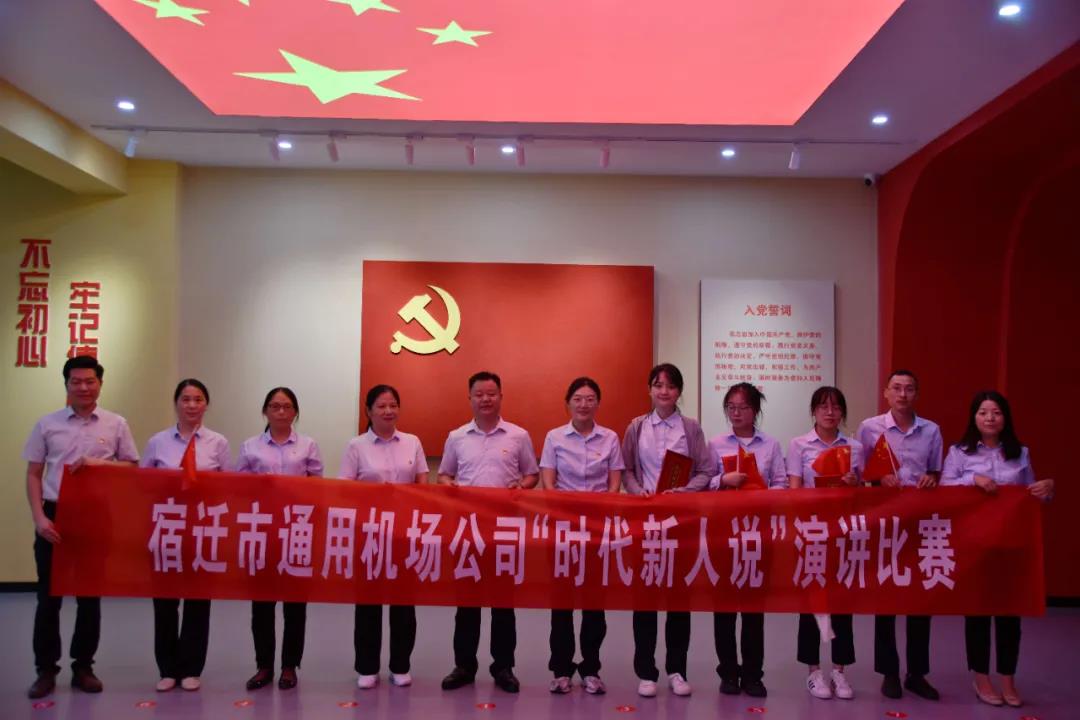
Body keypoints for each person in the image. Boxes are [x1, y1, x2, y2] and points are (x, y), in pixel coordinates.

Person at [23, 356, 140, 699]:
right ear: (66, 385)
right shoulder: (47, 424)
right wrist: (39, 518)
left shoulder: (116, 424)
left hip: (95, 516)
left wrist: (97, 464)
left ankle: (83, 667)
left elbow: (132, 466)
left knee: (89, 597)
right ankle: (46, 670)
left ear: (100, 384)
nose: (83, 387)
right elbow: (33, 473)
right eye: (76, 381)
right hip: (55, 514)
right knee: (49, 597)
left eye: (90, 381)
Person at [941, 390, 1054, 708]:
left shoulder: (1020, 453)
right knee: (977, 611)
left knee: (1009, 614)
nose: (990, 418)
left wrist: (1047, 489)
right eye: (983, 412)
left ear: (1005, 418)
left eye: (996, 412)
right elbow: (944, 488)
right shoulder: (959, 453)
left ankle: (1008, 677)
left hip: (1011, 544)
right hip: (975, 545)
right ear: (974, 417)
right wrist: (972, 480)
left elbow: (1033, 495)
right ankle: (980, 676)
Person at [438, 371, 539, 694]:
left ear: (501, 397)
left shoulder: (518, 435)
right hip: (468, 531)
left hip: (504, 530)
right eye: (479, 394)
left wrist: (521, 486)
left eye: (491, 394)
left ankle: (503, 667)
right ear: (469, 398)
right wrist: (449, 486)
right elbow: (444, 474)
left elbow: (532, 474)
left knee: (503, 603)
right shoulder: (456, 437)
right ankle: (464, 666)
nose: (485, 399)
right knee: (467, 603)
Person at [621, 362, 715, 698]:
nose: (664, 391)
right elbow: (626, 469)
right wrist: (639, 493)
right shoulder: (636, 426)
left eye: (671, 386)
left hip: (680, 523)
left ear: (679, 392)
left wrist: (683, 493)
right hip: (646, 522)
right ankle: (646, 671)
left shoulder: (690, 428)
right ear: (649, 389)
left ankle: (677, 669)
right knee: (645, 598)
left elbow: (706, 471)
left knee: (678, 600)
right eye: (658, 385)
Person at [855, 370, 942, 701]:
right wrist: (879, 481)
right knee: (887, 595)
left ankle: (917, 673)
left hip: (919, 522)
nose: (903, 394)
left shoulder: (931, 430)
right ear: (886, 393)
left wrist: (932, 479)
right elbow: (860, 473)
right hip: (885, 521)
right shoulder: (869, 428)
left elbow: (936, 470)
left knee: (921, 597)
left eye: (909, 389)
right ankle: (889, 672)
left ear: (917, 394)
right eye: (897, 388)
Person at [141, 378, 231, 692]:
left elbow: (228, 487)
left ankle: (192, 667)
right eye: (186, 399)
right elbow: (143, 484)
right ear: (176, 403)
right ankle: (167, 668)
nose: (192, 405)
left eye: (198, 399)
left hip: (202, 529)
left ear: (206, 405)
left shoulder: (218, 443)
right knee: (165, 602)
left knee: (198, 601)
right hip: (166, 528)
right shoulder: (158, 442)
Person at [540, 377, 624, 696]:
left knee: (593, 604)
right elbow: (549, 484)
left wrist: (598, 512)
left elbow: (614, 485)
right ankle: (561, 669)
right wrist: (569, 511)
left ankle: (591, 668)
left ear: (597, 403)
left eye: (590, 399)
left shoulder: (610, 438)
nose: (584, 404)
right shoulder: (554, 437)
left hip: (597, 531)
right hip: (563, 530)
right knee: (561, 604)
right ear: (568, 403)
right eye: (577, 398)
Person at [235, 387, 323, 691]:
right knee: (262, 604)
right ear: (265, 412)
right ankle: (263, 665)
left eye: (287, 406)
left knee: (295, 604)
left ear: (295, 412)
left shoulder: (309, 445)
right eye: (274, 406)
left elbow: (317, 487)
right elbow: (240, 489)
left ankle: (289, 666)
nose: (281, 412)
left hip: (297, 532)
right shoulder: (250, 447)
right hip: (262, 532)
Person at [340, 384, 427, 690]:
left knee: (403, 603)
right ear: (369, 411)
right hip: (369, 534)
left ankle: (400, 665)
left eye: (393, 405)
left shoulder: (412, 442)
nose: (388, 411)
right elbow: (345, 489)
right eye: (381, 406)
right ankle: (367, 667)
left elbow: (422, 485)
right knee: (368, 603)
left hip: (404, 533)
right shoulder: (356, 446)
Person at [707, 382, 786, 698]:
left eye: (743, 407)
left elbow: (781, 483)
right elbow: (703, 483)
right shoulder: (715, 443)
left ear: (756, 410)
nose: (736, 413)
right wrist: (722, 480)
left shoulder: (771, 444)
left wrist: (762, 491)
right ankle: (728, 672)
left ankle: (753, 674)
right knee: (724, 607)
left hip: (757, 533)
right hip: (724, 533)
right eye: (731, 407)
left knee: (754, 608)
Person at [787, 386, 863, 701]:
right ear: (813, 412)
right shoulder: (799, 445)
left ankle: (840, 671)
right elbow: (794, 490)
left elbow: (865, 494)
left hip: (844, 532)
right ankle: (814, 671)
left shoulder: (855, 447)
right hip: (812, 531)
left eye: (836, 407)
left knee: (843, 602)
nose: (830, 413)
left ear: (842, 412)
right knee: (811, 602)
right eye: (823, 407)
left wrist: (855, 484)